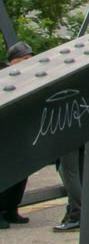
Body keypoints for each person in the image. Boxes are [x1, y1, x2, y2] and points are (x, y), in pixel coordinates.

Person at [0, 42, 33, 228]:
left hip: (21, 130)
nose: (29, 62)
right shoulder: (3, 76)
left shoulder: (29, 76)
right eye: (25, 59)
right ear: (14, 61)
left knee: (21, 171)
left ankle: (11, 209)